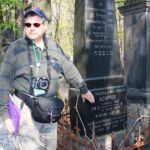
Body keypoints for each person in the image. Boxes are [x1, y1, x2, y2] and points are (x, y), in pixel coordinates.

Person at [0, 6, 95, 150]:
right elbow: (4, 81)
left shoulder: (53, 47)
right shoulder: (15, 48)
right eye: (28, 24)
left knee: (49, 147)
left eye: (36, 24)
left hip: (49, 111)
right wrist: (4, 114)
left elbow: (68, 68)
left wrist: (84, 89)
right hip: (26, 111)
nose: (32, 28)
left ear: (44, 26)